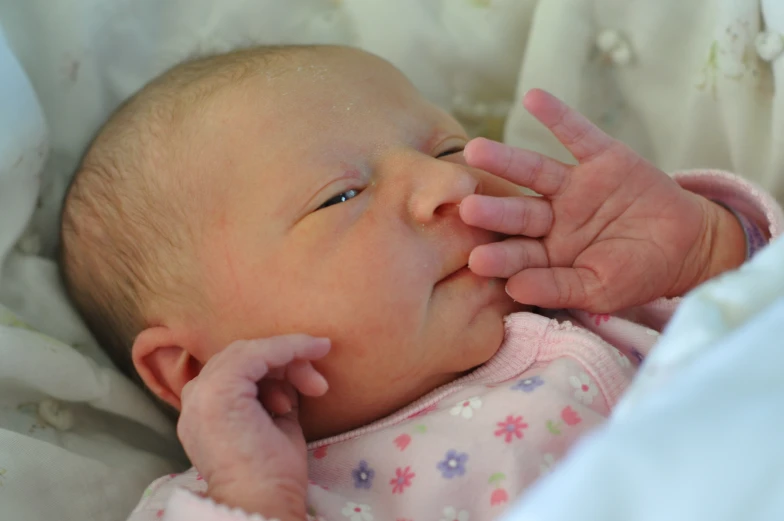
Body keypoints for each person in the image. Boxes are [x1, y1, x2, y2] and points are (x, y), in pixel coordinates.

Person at [58, 45, 781, 521]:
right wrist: (257, 498)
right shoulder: (243, 493)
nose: (448, 181)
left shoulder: (593, 296)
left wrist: (711, 247)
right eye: (341, 196)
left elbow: (758, 337)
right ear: (193, 367)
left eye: (446, 145)